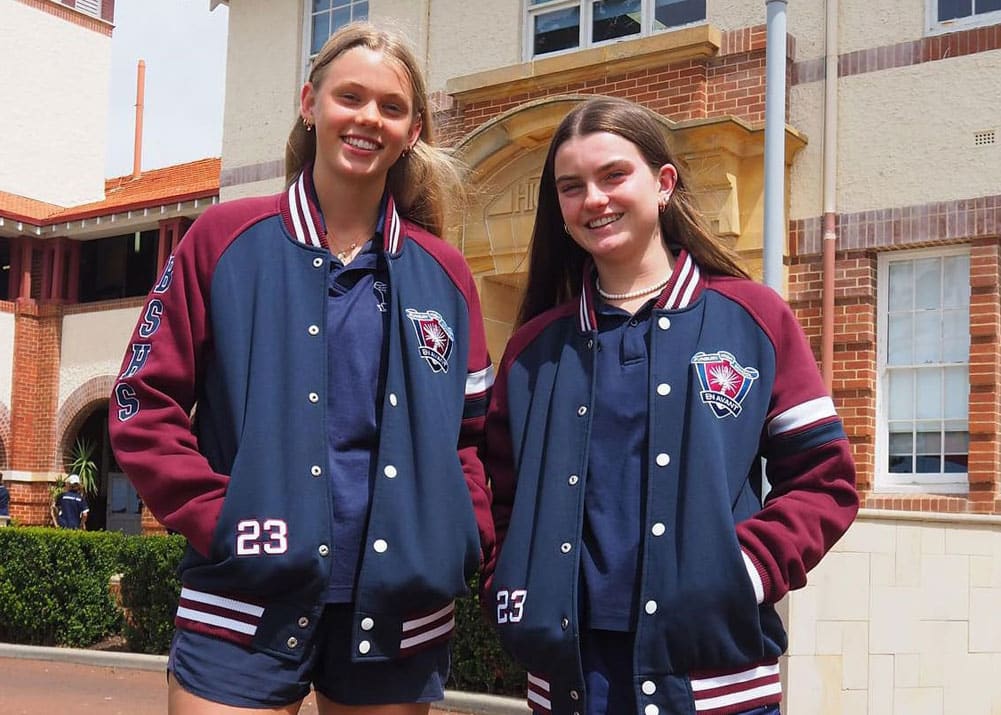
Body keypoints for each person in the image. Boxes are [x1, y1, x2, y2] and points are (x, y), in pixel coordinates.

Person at [108, 22, 494, 715]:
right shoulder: (223, 240)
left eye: (391, 106)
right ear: (309, 103)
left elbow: (473, 437)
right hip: (242, 599)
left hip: (397, 609)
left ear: (411, 131)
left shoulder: (446, 275)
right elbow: (143, 403)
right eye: (350, 96)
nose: (367, 117)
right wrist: (223, 520)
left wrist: (456, 537)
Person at [481, 97, 859, 715]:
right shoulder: (532, 352)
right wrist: (512, 588)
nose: (594, 200)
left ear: (662, 183)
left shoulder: (753, 321)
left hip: (715, 681)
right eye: (571, 187)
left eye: (613, 175)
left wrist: (741, 570)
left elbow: (825, 482)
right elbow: (499, 495)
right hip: (574, 683)